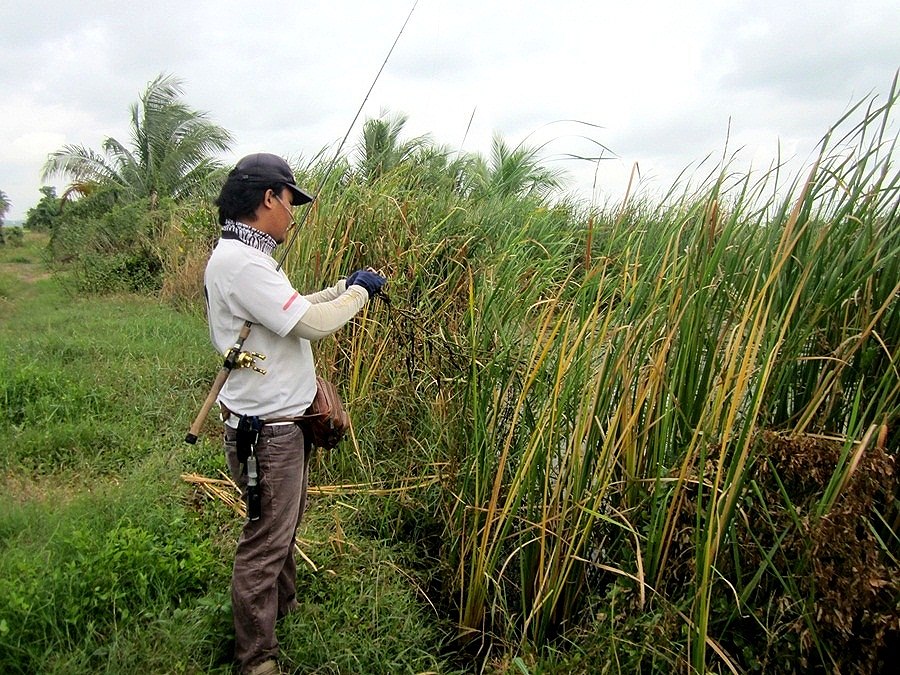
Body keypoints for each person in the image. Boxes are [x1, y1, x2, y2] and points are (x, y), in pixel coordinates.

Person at [204, 152, 386, 675]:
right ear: (268, 199)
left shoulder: (247, 259)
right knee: (265, 543)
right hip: (270, 434)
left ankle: (282, 611)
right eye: (290, 201)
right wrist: (357, 296)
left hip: (279, 427)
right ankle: (256, 659)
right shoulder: (243, 263)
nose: (293, 212)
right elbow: (310, 326)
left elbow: (290, 310)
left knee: (280, 530)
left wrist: (339, 288)